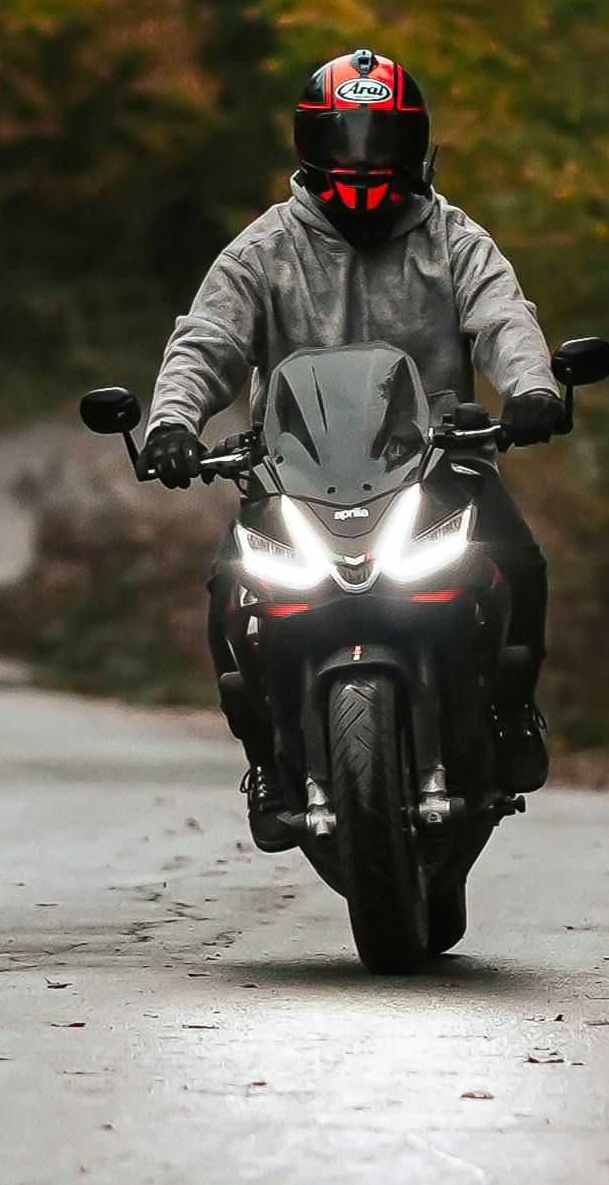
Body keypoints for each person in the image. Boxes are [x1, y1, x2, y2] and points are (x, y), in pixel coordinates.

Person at [141, 48, 566, 756]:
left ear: (414, 145)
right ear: (309, 147)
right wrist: (172, 424)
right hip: (293, 474)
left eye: (380, 143)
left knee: (517, 560)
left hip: (438, 465)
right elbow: (206, 341)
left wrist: (531, 389)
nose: (362, 162)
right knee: (228, 587)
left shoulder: (454, 241)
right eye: (344, 143)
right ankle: (265, 753)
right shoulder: (263, 251)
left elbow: (504, 318)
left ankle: (512, 712)